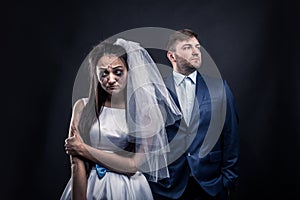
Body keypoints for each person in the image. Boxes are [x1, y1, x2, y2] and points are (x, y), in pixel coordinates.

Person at [60, 38, 181, 200]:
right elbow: (76, 163)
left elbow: (133, 166)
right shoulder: (82, 106)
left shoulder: (146, 113)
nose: (110, 79)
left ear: (129, 72)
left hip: (128, 188)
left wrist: (84, 150)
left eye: (117, 72)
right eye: (104, 73)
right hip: (90, 186)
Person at [148, 29, 240, 200]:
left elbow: (230, 136)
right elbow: (149, 139)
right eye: (187, 47)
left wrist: (228, 180)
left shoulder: (219, 88)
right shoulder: (157, 90)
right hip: (168, 185)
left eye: (198, 47)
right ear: (172, 56)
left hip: (210, 184)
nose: (196, 51)